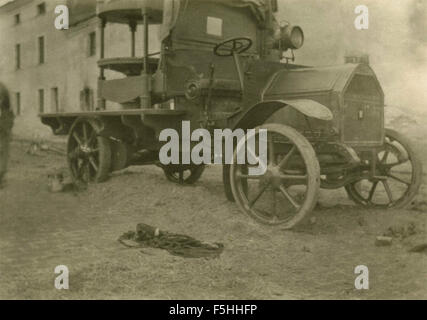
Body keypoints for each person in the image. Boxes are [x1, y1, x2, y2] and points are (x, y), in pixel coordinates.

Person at [0, 82, 14, 187]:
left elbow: (8, 110)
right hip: (5, 123)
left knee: (3, 151)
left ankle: (1, 177)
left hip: (4, 124)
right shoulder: (3, 87)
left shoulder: (2, 88)